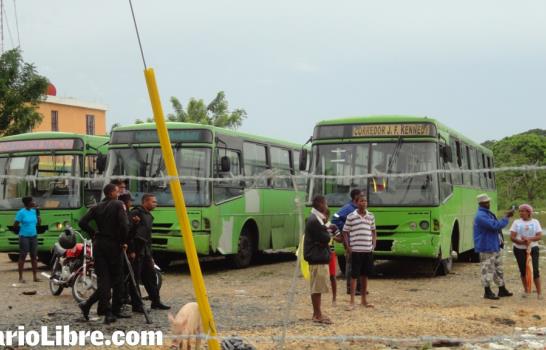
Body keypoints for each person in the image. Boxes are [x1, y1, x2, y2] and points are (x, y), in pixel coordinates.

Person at [78, 184, 130, 324]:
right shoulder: (119, 204)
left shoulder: (96, 207)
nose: (118, 194)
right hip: (113, 245)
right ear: (112, 193)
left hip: (99, 245)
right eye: (117, 191)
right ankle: (112, 311)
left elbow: (82, 222)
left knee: (104, 279)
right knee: (117, 279)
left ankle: (89, 305)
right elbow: (124, 225)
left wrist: (93, 233)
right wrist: (124, 241)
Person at [128, 193, 170, 311]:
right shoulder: (136, 213)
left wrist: (150, 255)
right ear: (145, 202)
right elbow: (130, 233)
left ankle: (155, 301)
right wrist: (131, 250)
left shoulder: (148, 216)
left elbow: (148, 237)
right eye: (153, 202)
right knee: (135, 278)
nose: (155, 204)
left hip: (145, 251)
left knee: (151, 277)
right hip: (136, 251)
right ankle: (137, 305)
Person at [473, 193, 514, 300]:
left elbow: (495, 225)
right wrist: (505, 217)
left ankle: (502, 289)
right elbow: (495, 226)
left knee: (498, 269)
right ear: (481, 204)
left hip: (494, 245)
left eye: (488, 202)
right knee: (487, 269)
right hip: (486, 246)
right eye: (486, 202)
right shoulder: (481, 216)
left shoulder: (487, 214)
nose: (488, 204)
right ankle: (487, 292)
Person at [304, 195, 334, 324]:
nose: (327, 206)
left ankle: (318, 313)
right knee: (317, 288)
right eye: (325, 203)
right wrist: (328, 233)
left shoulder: (317, 218)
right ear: (320, 204)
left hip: (318, 256)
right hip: (316, 257)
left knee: (318, 287)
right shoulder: (315, 220)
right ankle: (317, 315)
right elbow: (326, 237)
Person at [342, 194, 376, 309]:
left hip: (367, 250)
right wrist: (348, 246)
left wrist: (374, 244)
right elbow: (345, 232)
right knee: (354, 276)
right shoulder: (351, 216)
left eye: (365, 201)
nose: (364, 203)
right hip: (356, 250)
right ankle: (352, 302)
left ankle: (364, 301)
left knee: (365, 275)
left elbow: (374, 231)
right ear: (357, 203)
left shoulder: (371, 216)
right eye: (362, 201)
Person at [332, 189, 362, 295]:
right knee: (351, 264)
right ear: (356, 197)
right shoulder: (348, 208)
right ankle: (350, 288)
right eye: (361, 196)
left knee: (359, 264)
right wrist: (345, 229)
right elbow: (335, 219)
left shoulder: (359, 209)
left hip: (358, 242)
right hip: (349, 241)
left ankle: (359, 287)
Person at [510, 204, 542, 299]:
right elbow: (512, 237)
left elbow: (539, 236)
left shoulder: (535, 222)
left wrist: (529, 240)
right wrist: (521, 242)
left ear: (529, 212)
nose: (521, 213)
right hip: (519, 249)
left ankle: (539, 293)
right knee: (523, 270)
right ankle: (527, 290)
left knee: (535, 270)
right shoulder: (516, 222)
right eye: (520, 211)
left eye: (523, 211)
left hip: (533, 248)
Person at [13, 197, 41, 283]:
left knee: (34, 256)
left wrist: (38, 213)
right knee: (23, 255)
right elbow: (15, 224)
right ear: (28, 203)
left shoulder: (33, 212)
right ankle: (20, 277)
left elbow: (39, 223)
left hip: (33, 236)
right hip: (24, 236)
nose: (34, 202)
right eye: (32, 201)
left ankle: (35, 277)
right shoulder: (21, 212)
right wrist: (20, 231)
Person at [325, 209, 342, 305]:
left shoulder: (332, 227)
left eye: (325, 215)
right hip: (320, 254)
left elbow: (340, 239)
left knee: (332, 276)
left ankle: (334, 298)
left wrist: (332, 238)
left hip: (331, 253)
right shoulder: (318, 226)